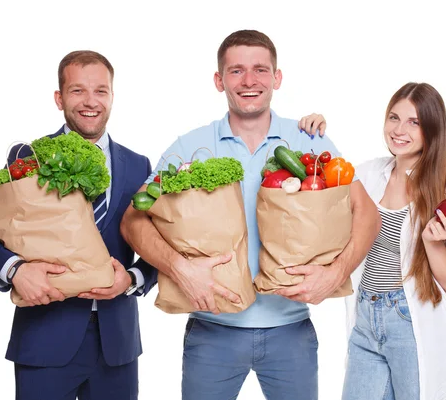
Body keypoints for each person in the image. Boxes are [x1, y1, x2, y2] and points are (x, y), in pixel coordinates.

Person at [121, 30, 381, 400]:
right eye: (236, 71)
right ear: (219, 80)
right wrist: (180, 268)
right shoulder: (190, 146)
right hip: (212, 333)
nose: (249, 81)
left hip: (291, 332)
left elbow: (367, 214)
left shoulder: (309, 141)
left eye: (260, 70)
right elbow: (134, 219)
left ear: (277, 78)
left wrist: (337, 273)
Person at [0, 50, 157, 400]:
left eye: (101, 90)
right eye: (77, 90)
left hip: (118, 346)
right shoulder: (31, 158)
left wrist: (134, 279)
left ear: (112, 96)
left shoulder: (138, 164)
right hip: (45, 338)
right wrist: (16, 271)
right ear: (59, 98)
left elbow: (161, 243)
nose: (90, 101)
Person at [304, 82, 446, 400]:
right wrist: (314, 139)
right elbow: (321, 191)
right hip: (365, 322)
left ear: (432, 130)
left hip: (410, 324)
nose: (399, 130)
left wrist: (433, 243)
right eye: (394, 118)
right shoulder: (369, 175)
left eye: (414, 122)